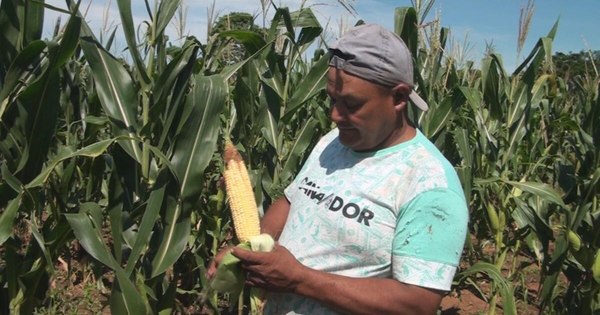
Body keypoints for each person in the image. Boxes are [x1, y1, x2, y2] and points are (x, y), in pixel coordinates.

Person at [208, 23, 469, 315]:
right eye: (332, 99)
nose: (334, 115)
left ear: (398, 97)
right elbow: (293, 200)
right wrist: (249, 250)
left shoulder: (430, 185)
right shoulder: (333, 141)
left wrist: (298, 279)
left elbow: (417, 304)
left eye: (351, 104)